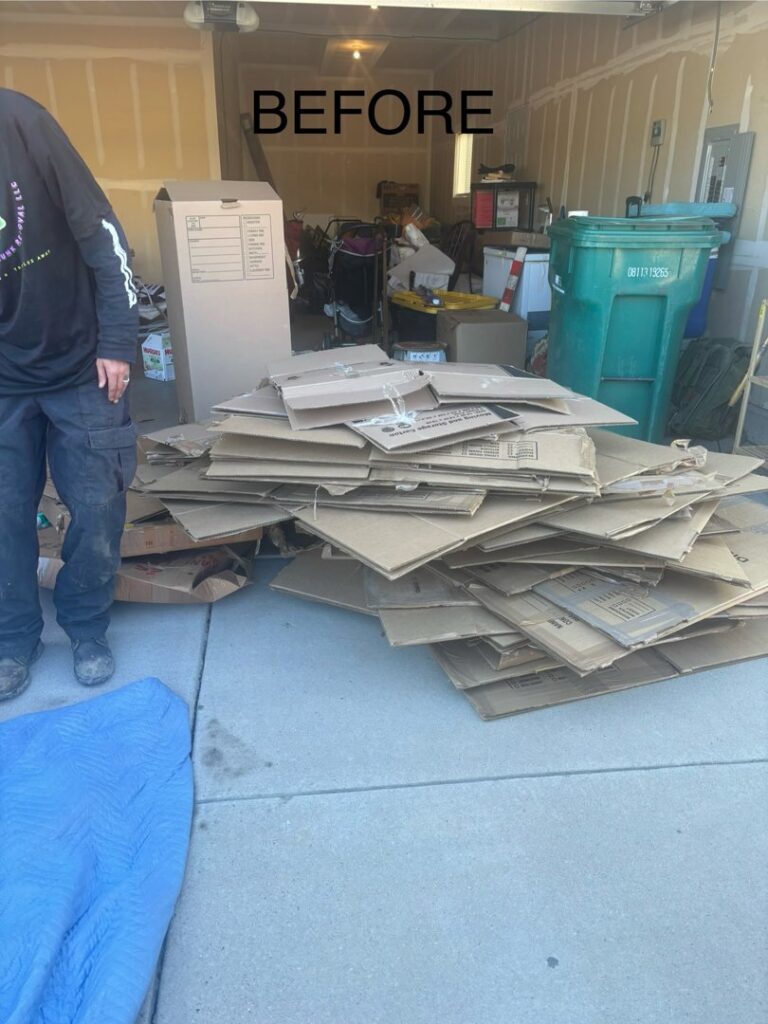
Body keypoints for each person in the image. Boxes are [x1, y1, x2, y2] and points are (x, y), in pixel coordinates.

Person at [0, 88, 139, 700]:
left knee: (96, 504)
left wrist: (118, 341)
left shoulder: (22, 123)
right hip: (4, 379)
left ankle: (86, 628)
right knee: (4, 516)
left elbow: (104, 236)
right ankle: (12, 640)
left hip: (81, 361)